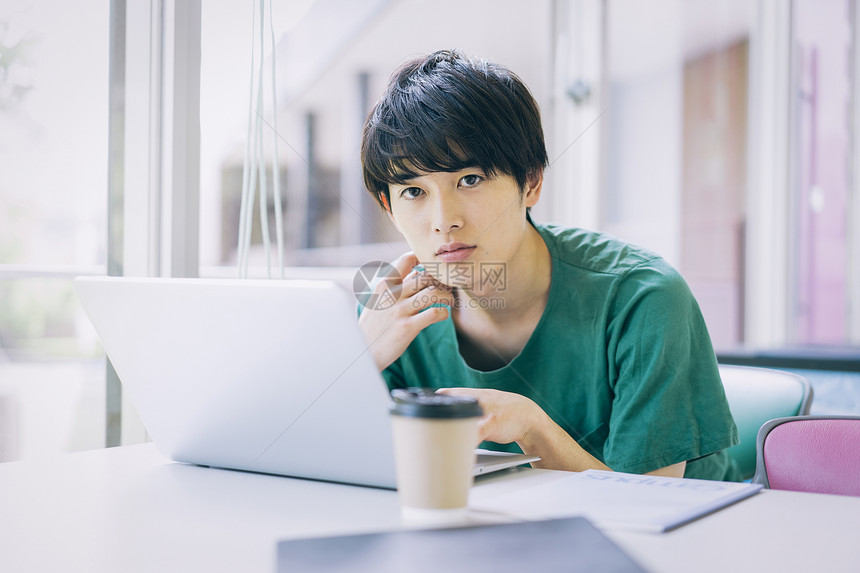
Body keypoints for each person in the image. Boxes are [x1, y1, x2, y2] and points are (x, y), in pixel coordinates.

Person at [357, 49, 740, 481]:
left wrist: (532, 428)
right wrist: (357, 357)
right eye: (413, 191)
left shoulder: (642, 299)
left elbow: (648, 508)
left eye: (470, 180)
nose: (444, 221)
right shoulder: (389, 313)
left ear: (532, 182)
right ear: (388, 208)